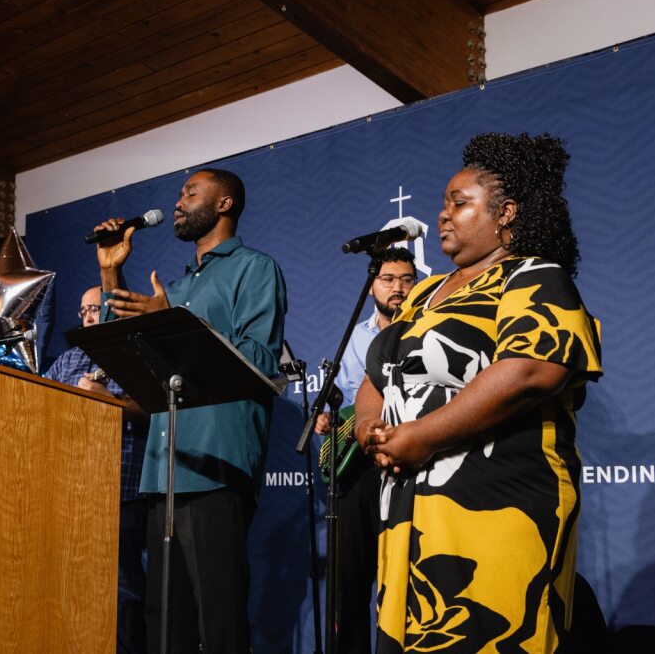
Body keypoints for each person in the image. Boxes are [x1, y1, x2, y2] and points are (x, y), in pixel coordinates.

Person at [356, 133, 602, 651]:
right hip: (409, 514)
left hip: (498, 504)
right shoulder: (423, 293)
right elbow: (378, 375)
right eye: (444, 203)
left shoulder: (534, 276)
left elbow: (531, 370)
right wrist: (368, 426)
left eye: (459, 203)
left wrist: (423, 436)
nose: (443, 215)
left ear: (506, 213)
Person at [94, 168, 287, 653]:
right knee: (165, 626)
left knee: (218, 622)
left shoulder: (254, 268)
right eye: (180, 194)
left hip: (215, 467)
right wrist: (111, 272)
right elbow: (128, 355)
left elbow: (259, 361)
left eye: (190, 193)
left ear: (224, 204)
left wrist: (175, 323)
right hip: (163, 472)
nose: (178, 202)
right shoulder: (177, 288)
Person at [314, 247, 417, 654]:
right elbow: (341, 402)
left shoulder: (426, 328)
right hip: (356, 470)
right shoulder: (355, 337)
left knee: (405, 578)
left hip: (405, 462)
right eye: (388, 279)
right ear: (372, 285)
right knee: (348, 580)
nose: (398, 288)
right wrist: (327, 419)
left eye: (406, 279)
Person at [42, 285, 149, 654]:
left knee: (123, 588)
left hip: (123, 491)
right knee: (70, 585)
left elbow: (154, 409)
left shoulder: (134, 354)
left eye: (95, 308)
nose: (88, 316)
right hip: (72, 490)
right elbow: (42, 407)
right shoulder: (67, 361)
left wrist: (109, 402)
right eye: (83, 310)